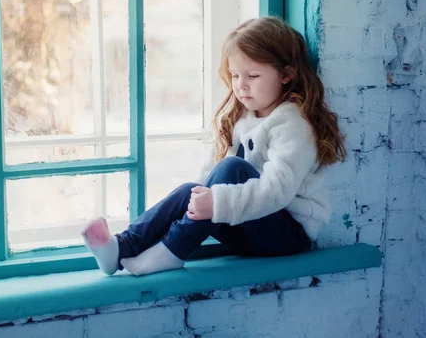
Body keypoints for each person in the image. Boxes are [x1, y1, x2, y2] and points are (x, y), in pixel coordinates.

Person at [81, 16, 346, 276]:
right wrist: (202, 202)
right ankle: (122, 247)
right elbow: (208, 179)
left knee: (232, 169)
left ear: (286, 74)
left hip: (287, 235)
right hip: (247, 226)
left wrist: (216, 202)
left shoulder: (293, 124)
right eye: (234, 75)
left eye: (252, 75)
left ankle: (173, 250)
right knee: (191, 190)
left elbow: (276, 191)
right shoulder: (243, 117)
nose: (240, 86)